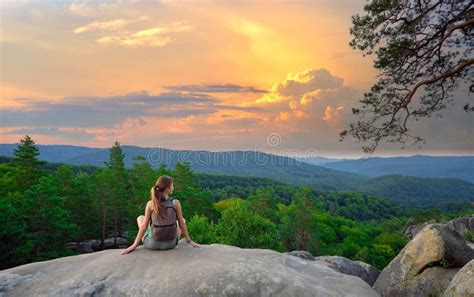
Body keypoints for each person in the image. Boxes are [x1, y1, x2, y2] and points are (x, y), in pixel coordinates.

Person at [121, 175, 200, 255]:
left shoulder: (151, 204)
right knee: (182, 220)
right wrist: (189, 241)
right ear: (167, 189)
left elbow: (144, 227)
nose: (173, 188)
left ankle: (149, 235)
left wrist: (134, 245)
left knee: (140, 218)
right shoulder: (175, 202)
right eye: (172, 186)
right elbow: (182, 224)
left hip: (152, 244)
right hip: (171, 244)